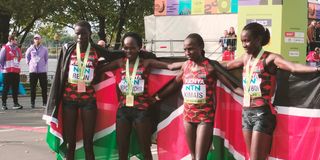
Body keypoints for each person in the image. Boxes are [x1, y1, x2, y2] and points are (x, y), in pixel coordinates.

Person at [224, 22, 320, 160]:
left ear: (258, 39)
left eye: (247, 41)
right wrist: (199, 62)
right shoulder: (245, 58)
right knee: (251, 157)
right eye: (242, 41)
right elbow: (226, 65)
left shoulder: (271, 58)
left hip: (263, 114)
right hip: (246, 113)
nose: (244, 45)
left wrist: (317, 69)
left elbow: (292, 67)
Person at [154, 33, 242, 159]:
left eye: (190, 48)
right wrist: (156, 97)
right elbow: (174, 84)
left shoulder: (211, 66)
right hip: (188, 117)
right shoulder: (185, 66)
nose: (187, 52)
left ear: (200, 47)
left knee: (200, 158)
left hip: (205, 118)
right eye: (185, 49)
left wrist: (249, 96)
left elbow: (233, 87)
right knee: (194, 157)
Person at [97, 32, 180, 160]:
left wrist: (190, 63)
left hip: (141, 111)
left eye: (132, 47)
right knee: (122, 150)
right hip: (123, 111)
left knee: (145, 150)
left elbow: (171, 66)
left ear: (139, 47)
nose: (128, 51)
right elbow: (99, 70)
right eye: (125, 47)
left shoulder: (146, 63)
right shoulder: (119, 63)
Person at [46, 20, 121, 160]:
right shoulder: (68, 48)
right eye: (77, 34)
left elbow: (114, 56)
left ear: (90, 34)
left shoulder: (96, 50)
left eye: (84, 34)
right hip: (69, 100)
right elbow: (60, 73)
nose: (80, 37)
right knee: (70, 144)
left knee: (88, 143)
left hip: (89, 101)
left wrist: (140, 53)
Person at [0, 35, 23, 110]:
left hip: (15, 71)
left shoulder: (17, 49)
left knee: (15, 88)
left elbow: (19, 58)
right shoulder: (5, 48)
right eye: (15, 39)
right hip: (7, 71)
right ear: (11, 40)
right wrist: (4, 67)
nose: (17, 41)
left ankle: (15, 103)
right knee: (6, 88)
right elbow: (1, 59)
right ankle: (4, 104)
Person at [25, 34, 48, 108]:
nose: (37, 40)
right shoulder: (30, 48)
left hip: (42, 71)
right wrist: (29, 64)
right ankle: (32, 103)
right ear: (34, 40)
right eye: (35, 39)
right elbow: (27, 56)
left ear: (40, 40)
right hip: (33, 71)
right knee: (32, 88)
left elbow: (46, 59)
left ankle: (45, 103)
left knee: (44, 87)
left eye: (38, 38)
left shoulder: (44, 49)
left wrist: (43, 65)